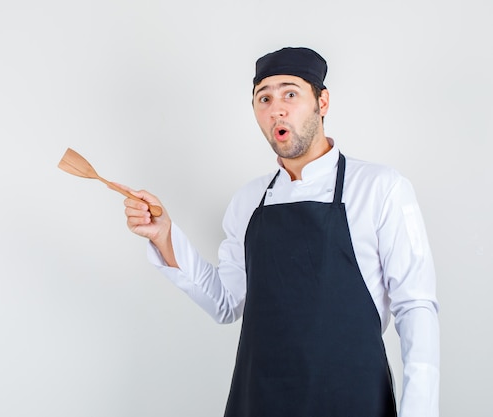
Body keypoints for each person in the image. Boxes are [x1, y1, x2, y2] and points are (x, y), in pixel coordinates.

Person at [121, 47, 439, 417]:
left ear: (323, 101)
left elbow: (415, 306)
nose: (277, 109)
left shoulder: (381, 188)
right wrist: (164, 235)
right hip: (259, 400)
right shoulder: (248, 201)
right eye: (264, 98)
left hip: (352, 398)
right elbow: (226, 303)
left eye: (290, 93)